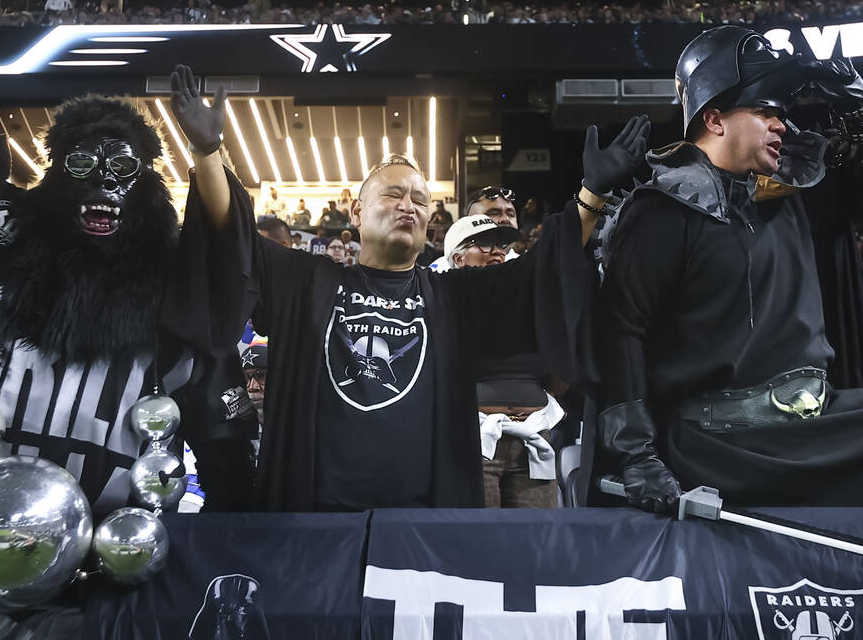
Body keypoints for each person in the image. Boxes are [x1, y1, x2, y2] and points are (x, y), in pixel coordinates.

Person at [0, 0, 256, 532]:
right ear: (54, 177)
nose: (102, 181)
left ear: (145, 183)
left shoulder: (169, 276)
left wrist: (208, 154)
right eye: (81, 165)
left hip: (115, 544)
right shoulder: (8, 235)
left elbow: (223, 266)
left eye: (122, 166)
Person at [184, 102, 648, 510]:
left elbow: (538, 275)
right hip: (313, 518)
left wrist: (591, 197)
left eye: (421, 200)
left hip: (419, 525)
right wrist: (208, 154)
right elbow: (233, 238)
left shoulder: (453, 295)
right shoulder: (304, 281)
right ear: (357, 213)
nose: (409, 205)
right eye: (393, 194)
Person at [596, 25, 863, 514]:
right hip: (718, 444)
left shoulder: (791, 198)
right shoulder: (660, 211)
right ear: (714, 119)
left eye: (782, 114)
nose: (782, 126)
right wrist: (636, 455)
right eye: (765, 112)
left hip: (811, 428)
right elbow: (620, 331)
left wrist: (856, 101)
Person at [442, 215, 565, 508]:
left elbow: (560, 377)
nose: (497, 251)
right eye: (484, 244)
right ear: (457, 258)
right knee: (479, 542)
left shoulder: (530, 304)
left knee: (537, 544)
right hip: (472, 439)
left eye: (501, 245)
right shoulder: (443, 301)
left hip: (534, 437)